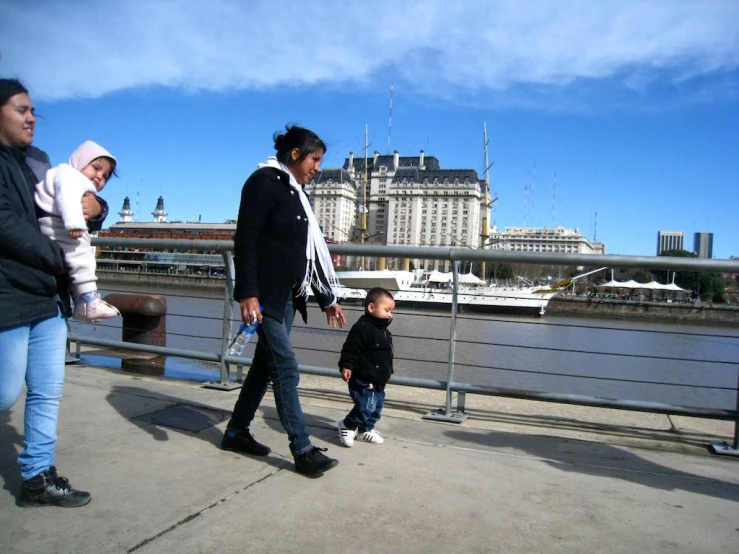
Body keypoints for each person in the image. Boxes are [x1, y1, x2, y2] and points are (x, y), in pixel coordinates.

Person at [0, 78, 102, 507]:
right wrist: (57, 258)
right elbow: (4, 222)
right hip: (9, 291)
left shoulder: (41, 161)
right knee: (5, 393)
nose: (31, 117)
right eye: (22, 109)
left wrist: (98, 208)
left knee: (46, 389)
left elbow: (78, 198)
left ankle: (37, 478)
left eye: (33, 110)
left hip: (48, 296)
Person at [223, 124, 347, 476]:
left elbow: (306, 254)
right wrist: (247, 293)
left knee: (266, 367)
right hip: (265, 296)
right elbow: (245, 240)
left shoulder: (296, 193)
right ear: (295, 154)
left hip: (290, 295)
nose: (318, 167)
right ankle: (302, 449)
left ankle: (235, 431)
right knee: (286, 367)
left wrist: (327, 298)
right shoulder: (263, 183)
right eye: (315, 159)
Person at [34, 140, 120, 322]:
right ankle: (88, 301)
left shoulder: (64, 174)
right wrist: (75, 225)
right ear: (80, 161)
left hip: (52, 225)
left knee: (76, 262)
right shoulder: (70, 176)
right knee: (82, 257)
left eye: (105, 176)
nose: (99, 177)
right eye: (96, 168)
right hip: (58, 226)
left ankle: (82, 301)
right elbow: (68, 199)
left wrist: (97, 208)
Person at [337, 287, 395, 447]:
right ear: (371, 307)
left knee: (376, 408)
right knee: (365, 406)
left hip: (378, 379)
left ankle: (365, 430)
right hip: (363, 377)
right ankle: (347, 425)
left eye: (391, 311)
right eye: (387, 310)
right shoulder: (362, 328)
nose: (390, 314)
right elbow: (350, 348)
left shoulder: (385, 332)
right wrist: (347, 365)